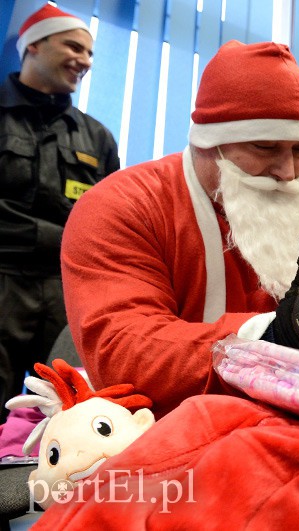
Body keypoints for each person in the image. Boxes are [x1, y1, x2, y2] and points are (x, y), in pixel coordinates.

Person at [61, 40, 299, 420]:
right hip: (166, 435)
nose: (287, 173)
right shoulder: (122, 205)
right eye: (264, 146)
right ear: (208, 142)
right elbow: (122, 349)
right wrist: (270, 341)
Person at [0, 4, 120, 421]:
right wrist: (57, 237)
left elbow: (108, 222)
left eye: (89, 54)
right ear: (34, 45)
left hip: (66, 293)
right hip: (3, 281)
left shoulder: (96, 136)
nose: (85, 61)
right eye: (74, 47)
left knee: (59, 411)